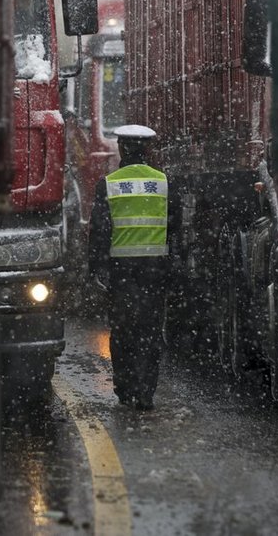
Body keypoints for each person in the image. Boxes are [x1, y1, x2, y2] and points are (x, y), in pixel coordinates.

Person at [88, 125, 172, 410]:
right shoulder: (163, 183)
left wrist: (96, 268)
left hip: (121, 271)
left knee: (124, 332)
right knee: (150, 331)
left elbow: (99, 231)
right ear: (146, 150)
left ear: (122, 149)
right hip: (154, 270)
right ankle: (146, 392)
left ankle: (125, 389)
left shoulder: (109, 184)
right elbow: (173, 229)